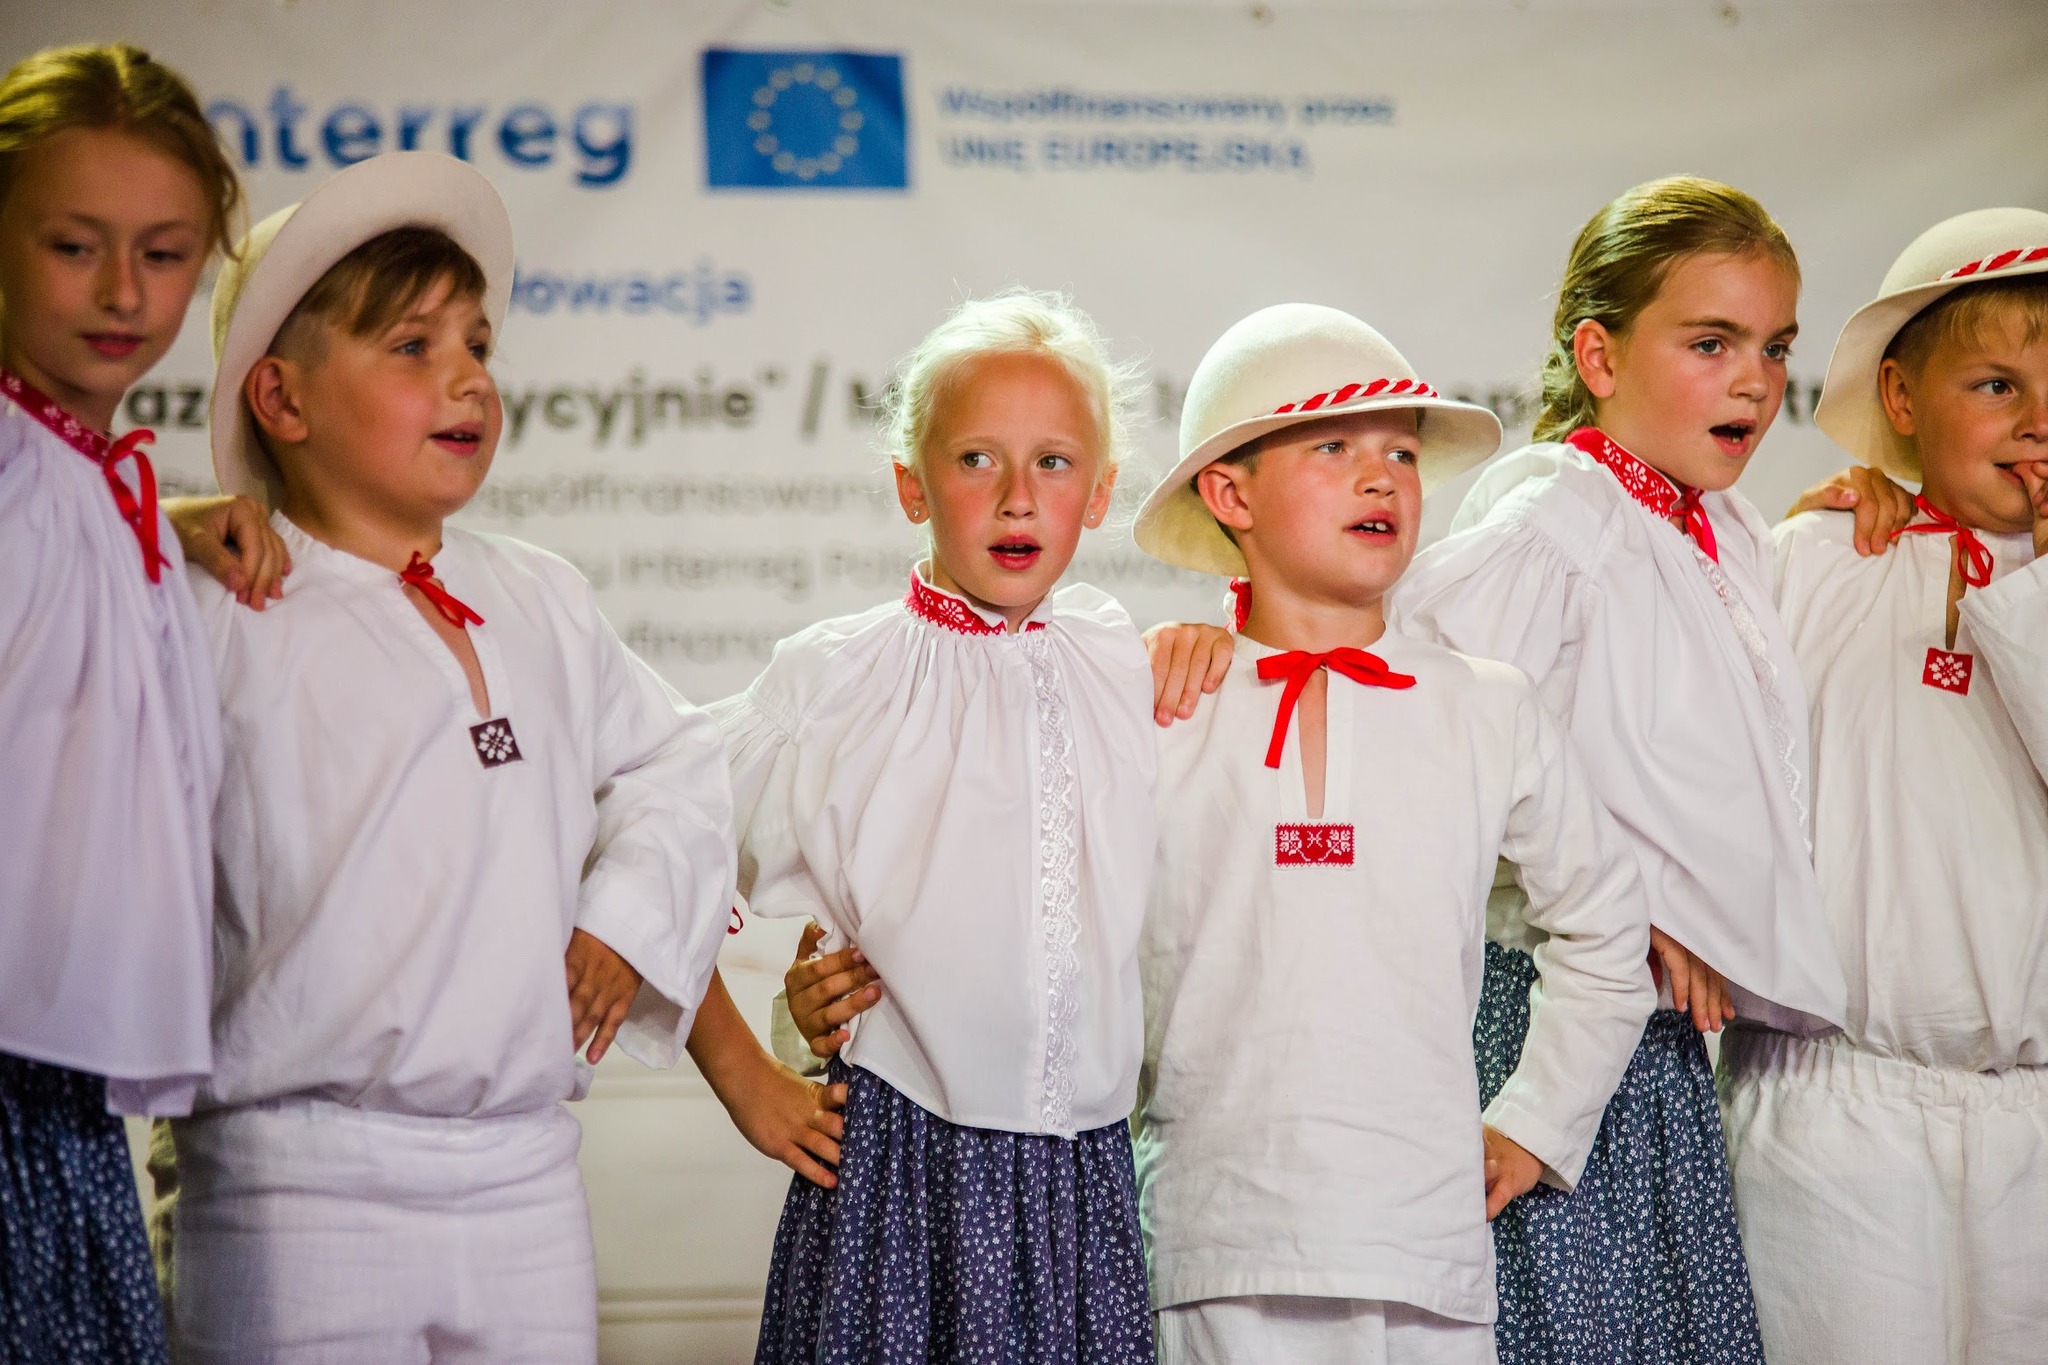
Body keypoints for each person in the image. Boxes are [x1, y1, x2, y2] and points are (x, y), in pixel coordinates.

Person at [158, 151, 743, 1364]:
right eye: (411, 347)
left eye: (477, 344)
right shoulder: (214, 607)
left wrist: (624, 921)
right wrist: (152, 531)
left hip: (525, 1177)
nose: (468, 377)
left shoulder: (538, 594)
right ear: (281, 399)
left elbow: (677, 762)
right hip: (289, 1185)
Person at [1127, 302, 1652, 1364]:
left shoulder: (1485, 703)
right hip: (1215, 1236)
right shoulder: (1158, 699)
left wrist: (1534, 1122)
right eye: (1333, 447)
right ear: (1230, 494)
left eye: (1402, 455)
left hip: (1425, 1248)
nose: (1381, 479)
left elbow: (1607, 929)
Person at [708, 289, 1159, 1364]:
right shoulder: (836, 678)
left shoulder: (1121, 661)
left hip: (1081, 1187)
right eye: (975, 460)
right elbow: (648, 842)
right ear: (911, 482)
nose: (1017, 497)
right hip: (896, 1179)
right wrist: (748, 1072)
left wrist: (1209, 644)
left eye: (1053, 463)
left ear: (1100, 493)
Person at [1721, 206, 2048, 1365]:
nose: (2038, 421)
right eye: (1996, 387)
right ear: (1901, 399)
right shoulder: (1812, 558)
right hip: (1833, 1108)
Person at [0, 42, 279, 1362]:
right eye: (74, 246)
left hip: (59, 1094)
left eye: (164, 254)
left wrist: (160, 525)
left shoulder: (95, 483)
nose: (123, 293)